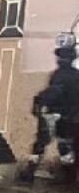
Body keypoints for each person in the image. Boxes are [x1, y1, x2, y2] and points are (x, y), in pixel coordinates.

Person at [24, 33, 79, 181]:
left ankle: (30, 172)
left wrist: (39, 101)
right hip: (67, 116)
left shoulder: (61, 76)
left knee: (44, 144)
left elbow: (55, 92)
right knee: (63, 145)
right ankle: (68, 175)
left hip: (56, 115)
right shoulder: (73, 76)